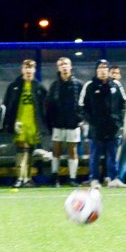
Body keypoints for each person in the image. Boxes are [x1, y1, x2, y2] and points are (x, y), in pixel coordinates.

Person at [80, 59, 126, 188]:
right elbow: (82, 106)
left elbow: (123, 104)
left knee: (113, 154)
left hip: (113, 127)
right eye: (100, 68)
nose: (102, 70)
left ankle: (114, 178)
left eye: (105, 68)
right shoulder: (89, 86)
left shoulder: (116, 85)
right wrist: (91, 121)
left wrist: (118, 120)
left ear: (108, 70)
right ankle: (94, 179)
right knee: (95, 155)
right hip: (96, 128)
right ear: (96, 70)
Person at [2, 59, 48, 188]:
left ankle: (27, 178)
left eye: (31, 68)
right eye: (26, 68)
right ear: (22, 70)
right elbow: (7, 105)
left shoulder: (39, 87)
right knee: (21, 149)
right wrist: (10, 123)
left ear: (34, 70)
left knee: (30, 151)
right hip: (20, 123)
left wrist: (42, 126)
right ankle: (19, 178)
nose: (28, 70)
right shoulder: (14, 86)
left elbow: (45, 108)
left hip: (33, 124)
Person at [46, 57, 85, 187]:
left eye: (66, 64)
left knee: (72, 151)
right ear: (58, 68)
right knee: (56, 149)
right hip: (58, 123)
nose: (64, 67)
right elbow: (49, 104)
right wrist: (51, 121)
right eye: (61, 64)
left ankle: (72, 178)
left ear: (71, 66)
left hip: (73, 123)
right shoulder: (55, 85)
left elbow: (84, 103)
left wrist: (80, 119)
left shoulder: (78, 84)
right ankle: (55, 176)